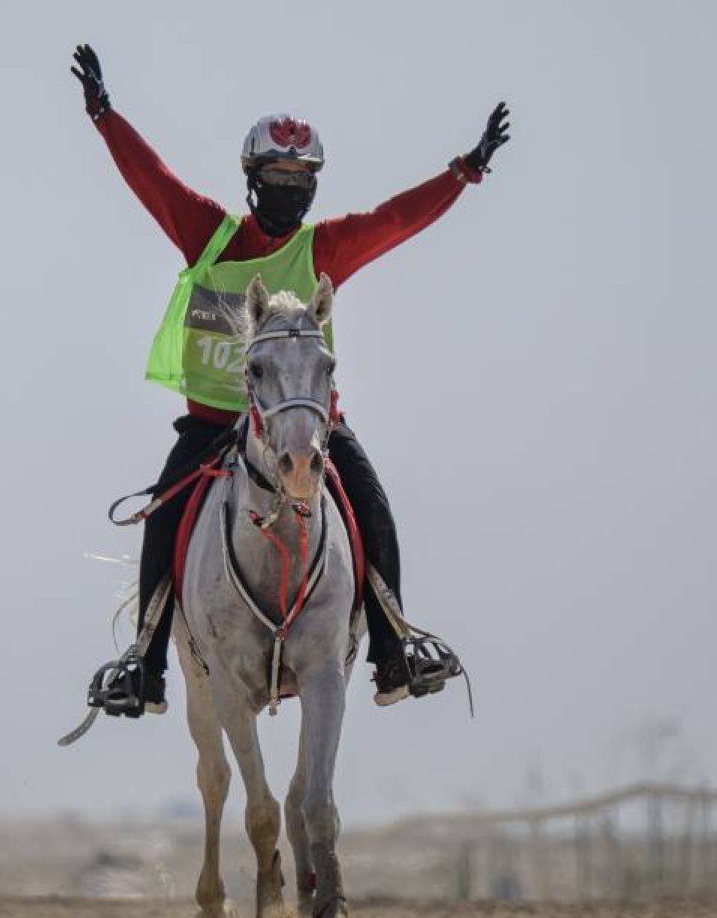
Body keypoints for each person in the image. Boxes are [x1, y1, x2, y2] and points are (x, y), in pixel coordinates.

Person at [70, 43, 509, 718]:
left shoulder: (322, 251)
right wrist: (105, 114)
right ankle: (146, 663)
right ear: (252, 179)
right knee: (162, 518)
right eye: (275, 176)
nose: (287, 188)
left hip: (309, 426)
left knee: (374, 506)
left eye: (300, 178)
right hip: (215, 425)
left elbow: (395, 221)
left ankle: (394, 649)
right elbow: (151, 178)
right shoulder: (208, 236)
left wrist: (464, 172)